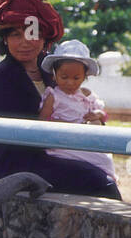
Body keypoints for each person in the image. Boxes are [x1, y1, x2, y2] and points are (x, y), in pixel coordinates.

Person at [0, 0, 121, 199]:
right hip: (21, 162)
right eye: (15, 35)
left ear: (44, 38)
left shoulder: (53, 70)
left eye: (32, 34)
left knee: (104, 170)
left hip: (58, 150)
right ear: (5, 40)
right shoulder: (2, 78)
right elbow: (21, 138)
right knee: (101, 182)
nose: (24, 43)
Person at [38, 39, 115, 180]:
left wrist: (97, 115)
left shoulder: (86, 95)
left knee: (105, 159)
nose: (70, 82)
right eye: (64, 77)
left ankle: (107, 181)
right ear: (54, 74)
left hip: (84, 139)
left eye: (76, 78)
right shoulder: (54, 96)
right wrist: (57, 123)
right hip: (62, 143)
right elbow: (42, 120)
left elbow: (103, 116)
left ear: (85, 76)